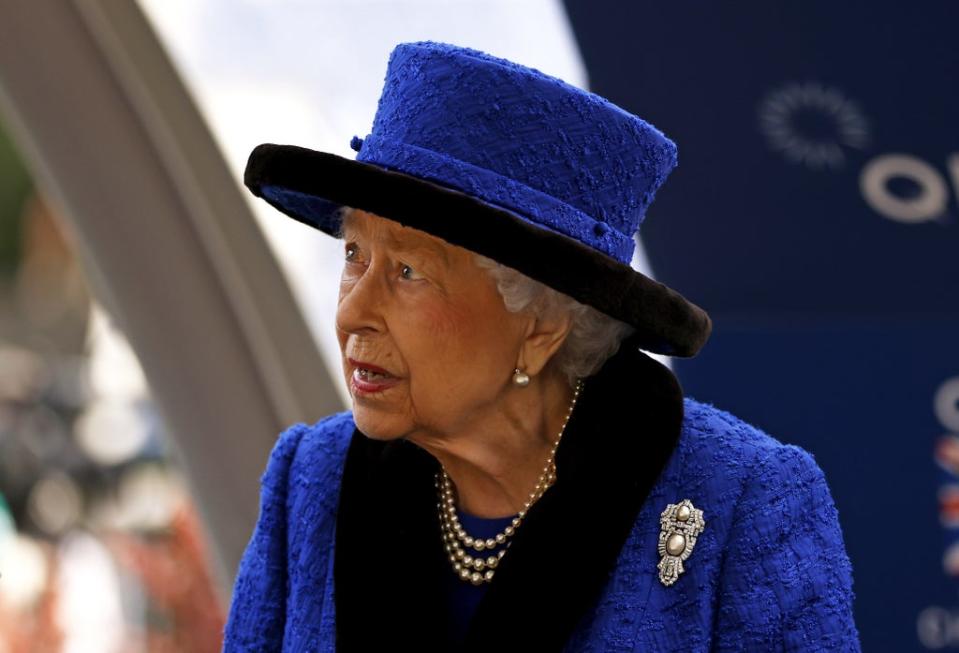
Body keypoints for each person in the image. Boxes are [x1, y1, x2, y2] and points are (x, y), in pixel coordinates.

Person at [222, 41, 860, 652]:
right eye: (355, 256)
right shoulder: (311, 476)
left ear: (540, 327)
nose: (353, 311)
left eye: (409, 272)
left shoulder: (742, 501)